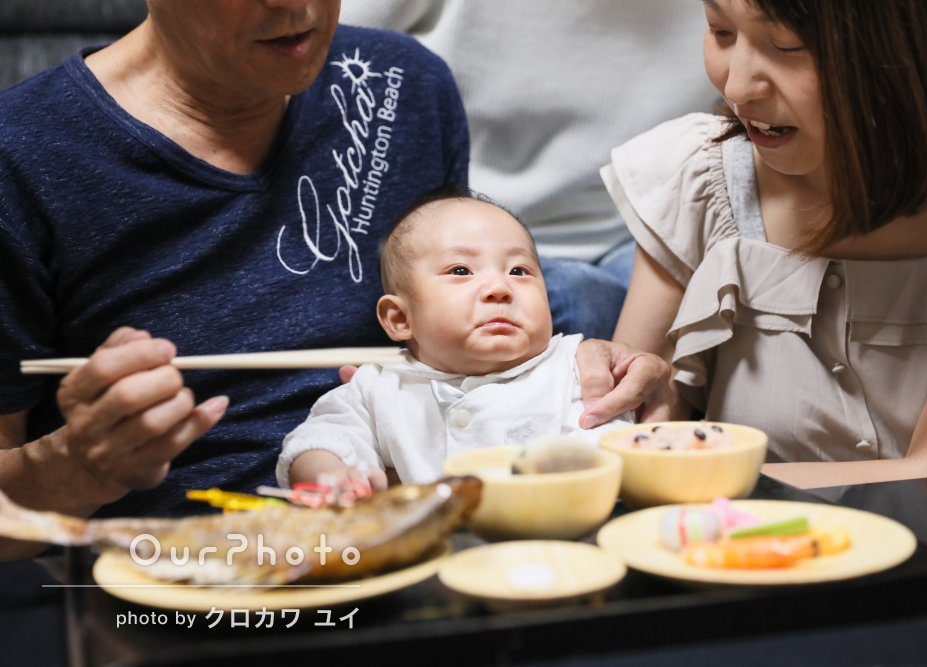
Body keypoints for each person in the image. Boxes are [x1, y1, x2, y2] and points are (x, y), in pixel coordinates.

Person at [0, 0, 670, 561]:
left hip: (435, 547)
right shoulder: (22, 154)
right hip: (191, 572)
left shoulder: (400, 83)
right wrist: (75, 471)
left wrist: (578, 368)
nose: (297, 6)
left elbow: (451, 343)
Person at [608, 0, 927, 489]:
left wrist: (691, 477)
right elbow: (632, 417)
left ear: (916, 52)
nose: (737, 87)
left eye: (788, 46)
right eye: (721, 32)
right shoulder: (697, 174)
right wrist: (609, 380)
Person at [339, 0, 720, 340]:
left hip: (640, 227)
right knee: (583, 297)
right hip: (468, 226)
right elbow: (317, 41)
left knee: (712, 296)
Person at [279, 188, 633, 488]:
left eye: (519, 271)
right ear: (401, 318)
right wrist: (334, 477)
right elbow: (322, 437)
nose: (499, 288)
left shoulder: (573, 371)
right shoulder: (378, 387)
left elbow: (608, 441)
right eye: (461, 271)